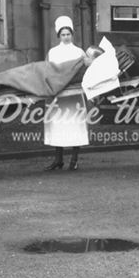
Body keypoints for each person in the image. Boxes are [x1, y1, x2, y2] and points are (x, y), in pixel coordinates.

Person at [43, 16, 90, 171]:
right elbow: (48, 70)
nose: (66, 37)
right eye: (63, 34)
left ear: (72, 34)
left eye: (68, 34)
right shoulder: (53, 52)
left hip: (74, 96)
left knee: (75, 125)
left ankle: (74, 159)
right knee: (58, 126)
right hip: (58, 95)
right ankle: (58, 159)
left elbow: (86, 71)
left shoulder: (79, 52)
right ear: (59, 35)